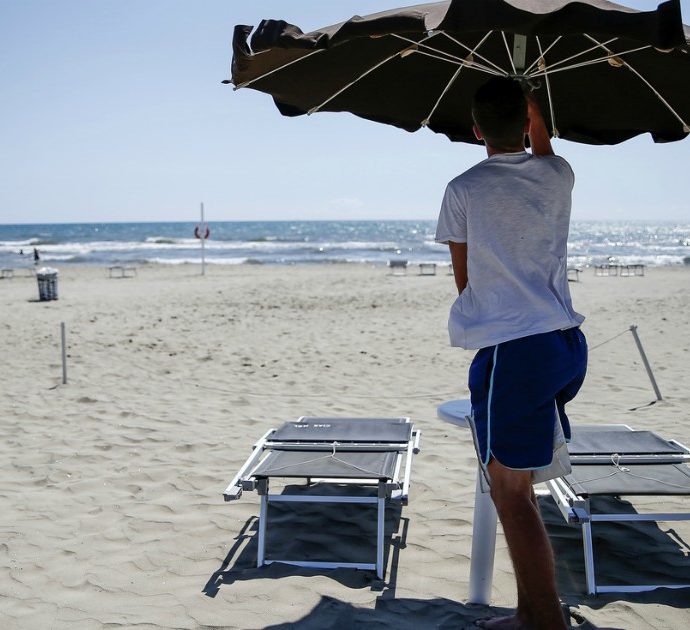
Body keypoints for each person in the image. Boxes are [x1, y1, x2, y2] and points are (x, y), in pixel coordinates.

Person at [435, 77, 587, 630]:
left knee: (510, 491)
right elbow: (544, 146)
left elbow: (463, 277)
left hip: (515, 351)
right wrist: (531, 103)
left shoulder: (463, 189)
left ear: (475, 131)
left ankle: (543, 620)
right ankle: (535, 610)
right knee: (519, 480)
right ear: (527, 122)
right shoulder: (557, 173)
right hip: (565, 343)